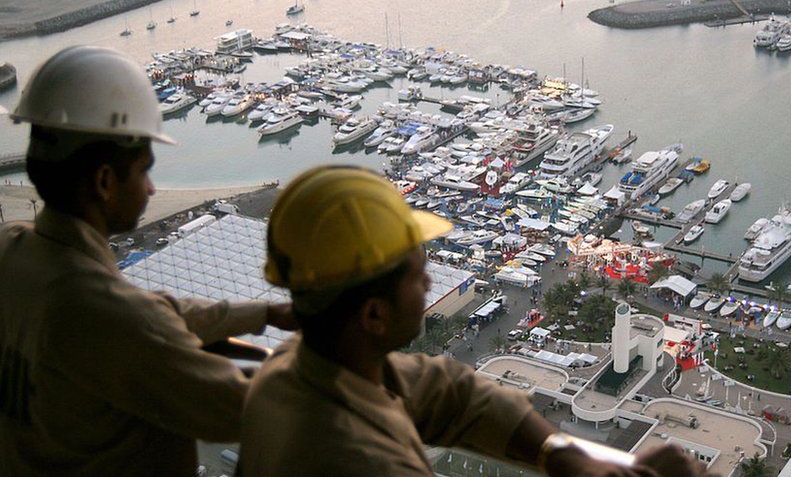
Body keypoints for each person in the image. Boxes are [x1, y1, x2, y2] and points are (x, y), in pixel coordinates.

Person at [239, 166, 716, 476]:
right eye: (418, 277)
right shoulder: (358, 457)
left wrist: (564, 457)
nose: (429, 288)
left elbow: (449, 390)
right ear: (374, 314)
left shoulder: (294, 371)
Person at [0, 46, 297, 474]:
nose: (153, 190)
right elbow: (244, 407)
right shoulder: (107, 315)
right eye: (144, 171)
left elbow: (157, 315)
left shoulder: (14, 253)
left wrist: (264, 313)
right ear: (104, 181)